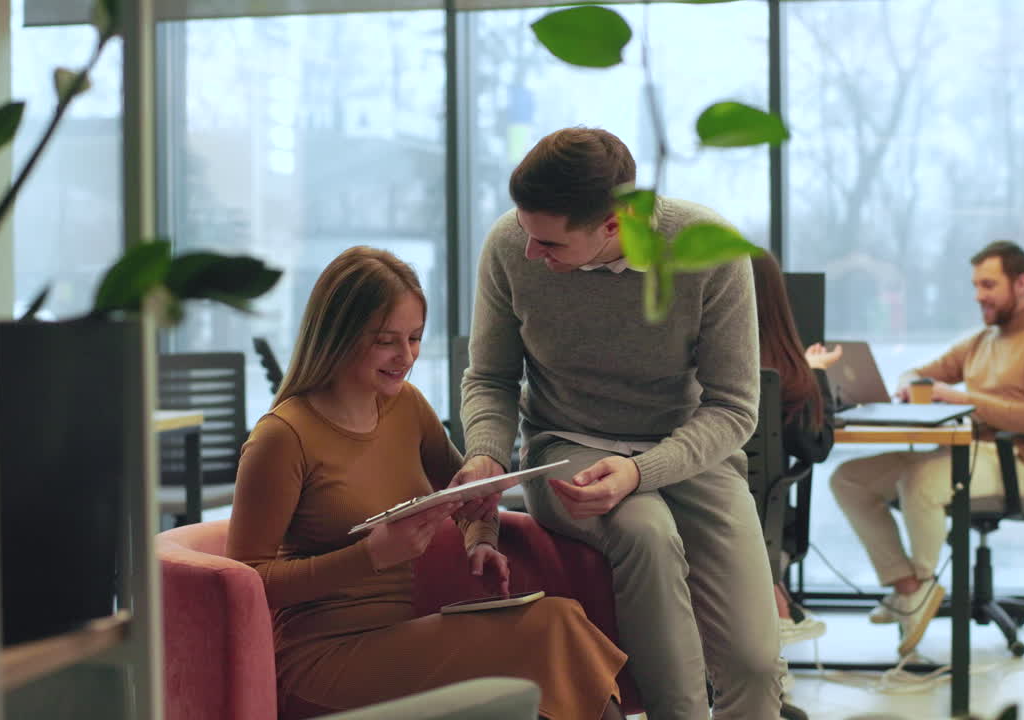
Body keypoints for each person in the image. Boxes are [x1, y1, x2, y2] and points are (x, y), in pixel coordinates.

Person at [454, 127, 781, 719]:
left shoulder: (711, 251)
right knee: (646, 533)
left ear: (612, 226)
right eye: (526, 232)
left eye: (549, 243)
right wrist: (487, 455)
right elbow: (491, 378)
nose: (530, 252)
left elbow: (734, 407)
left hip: (688, 452)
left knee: (757, 666)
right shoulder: (510, 242)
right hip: (567, 445)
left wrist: (641, 470)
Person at [226, 246, 627, 720]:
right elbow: (246, 582)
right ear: (339, 336)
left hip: (400, 637)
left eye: (415, 338)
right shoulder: (282, 438)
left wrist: (481, 540)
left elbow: (466, 497)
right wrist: (371, 556)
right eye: (386, 340)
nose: (406, 356)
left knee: (557, 625)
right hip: (318, 661)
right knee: (548, 629)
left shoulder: (406, 407)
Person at [829, 240, 1024, 657]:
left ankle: (925, 585)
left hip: (1016, 464)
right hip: (964, 452)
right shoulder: (981, 341)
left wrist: (960, 398)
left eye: (988, 284)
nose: (979, 294)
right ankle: (907, 586)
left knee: (921, 480)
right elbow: (920, 372)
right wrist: (914, 384)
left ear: (1021, 284)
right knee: (849, 478)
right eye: (975, 285)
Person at [750, 252, 843, 652]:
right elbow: (816, 446)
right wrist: (816, 373)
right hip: (765, 533)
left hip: (692, 524)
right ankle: (776, 609)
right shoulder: (787, 377)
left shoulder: (693, 365)